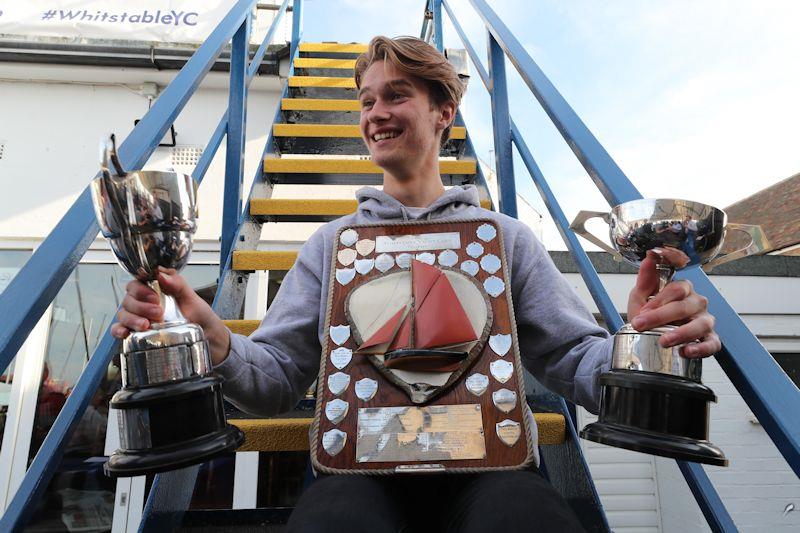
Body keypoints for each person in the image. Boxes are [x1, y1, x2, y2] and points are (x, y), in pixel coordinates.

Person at [112, 36, 720, 532]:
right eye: (366, 100)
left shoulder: (504, 237)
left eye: (396, 96)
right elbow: (273, 384)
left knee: (530, 523)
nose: (375, 113)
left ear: (443, 113)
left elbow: (569, 355)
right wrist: (211, 333)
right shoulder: (330, 246)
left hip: (490, 466)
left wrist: (638, 340)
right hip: (356, 470)